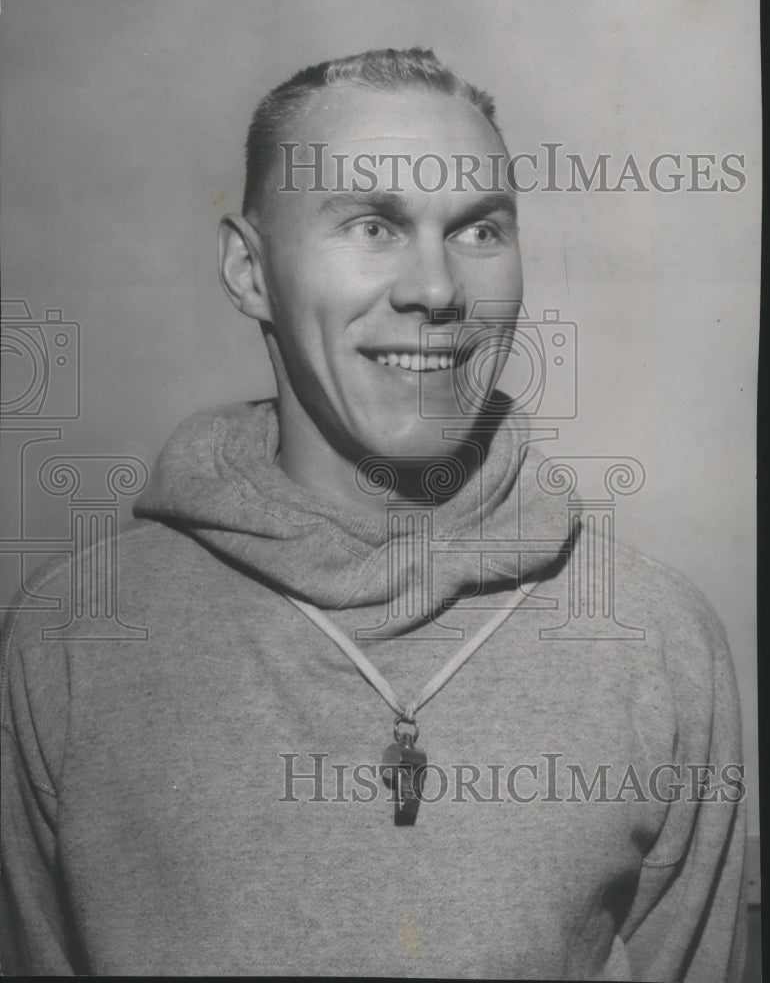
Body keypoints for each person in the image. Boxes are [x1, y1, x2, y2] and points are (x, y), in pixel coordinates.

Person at [0, 48, 746, 980]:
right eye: (372, 225)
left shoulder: (655, 641)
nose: (435, 291)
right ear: (248, 269)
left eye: (479, 230)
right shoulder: (67, 640)